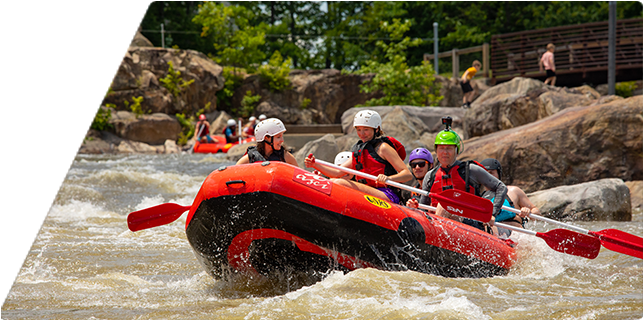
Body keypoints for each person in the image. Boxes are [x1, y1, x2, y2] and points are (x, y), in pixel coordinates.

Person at [406, 116, 508, 235]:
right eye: (441, 148)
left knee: (444, 205)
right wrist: (416, 208)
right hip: (439, 224)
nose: (445, 152)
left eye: (449, 148)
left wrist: (492, 214)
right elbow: (424, 208)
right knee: (424, 206)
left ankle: (434, 235)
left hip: (469, 223)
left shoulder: (471, 170)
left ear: (457, 150)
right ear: (436, 150)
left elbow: (501, 187)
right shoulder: (430, 176)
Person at [305, 110, 411, 204]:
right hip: (366, 192)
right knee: (334, 181)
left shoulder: (383, 148)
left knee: (339, 183)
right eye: (359, 129)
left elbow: (407, 174)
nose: (362, 133)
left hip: (386, 194)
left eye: (366, 129)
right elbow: (337, 173)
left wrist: (388, 178)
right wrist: (315, 164)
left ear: (377, 129)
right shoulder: (360, 152)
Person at [480, 158, 541, 232]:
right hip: (493, 234)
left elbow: (537, 212)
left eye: (491, 172)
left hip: (515, 233)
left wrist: (528, 211)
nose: (488, 176)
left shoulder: (513, 191)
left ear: (499, 174)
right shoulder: (479, 198)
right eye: (484, 173)